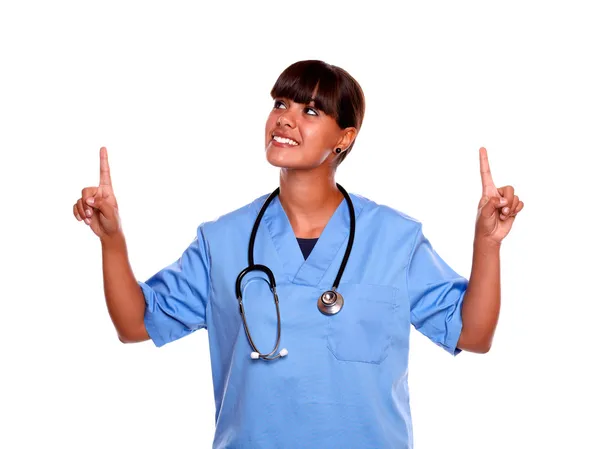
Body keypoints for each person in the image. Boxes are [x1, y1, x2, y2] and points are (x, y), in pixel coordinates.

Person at [73, 60, 524, 449]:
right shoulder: (223, 241)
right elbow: (135, 325)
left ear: (344, 138)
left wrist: (488, 243)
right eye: (280, 104)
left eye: (310, 110)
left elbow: (473, 335)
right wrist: (111, 240)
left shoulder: (395, 240)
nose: (285, 119)